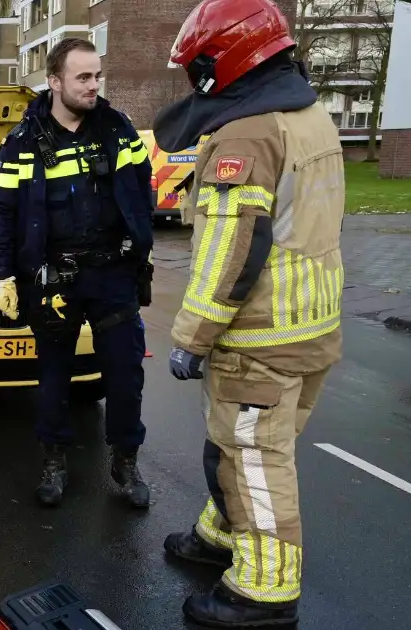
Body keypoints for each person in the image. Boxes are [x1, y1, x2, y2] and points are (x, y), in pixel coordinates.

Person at [154, 1, 345, 625]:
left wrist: (192, 338)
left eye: (200, 68)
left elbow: (233, 247)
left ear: (226, 59)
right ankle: (220, 537)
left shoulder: (248, 131)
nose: (196, 82)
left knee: (256, 460)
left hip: (259, 334)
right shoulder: (308, 114)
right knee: (244, 445)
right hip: (312, 322)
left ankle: (263, 590)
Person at [0, 38, 154, 508]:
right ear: (54, 81)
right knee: (54, 377)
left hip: (113, 275)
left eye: (97, 75)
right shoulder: (21, 143)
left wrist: (140, 248)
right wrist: (4, 278)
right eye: (83, 77)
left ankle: (125, 460)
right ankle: (54, 460)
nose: (93, 85)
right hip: (53, 280)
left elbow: (143, 192)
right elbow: (2, 215)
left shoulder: (119, 129)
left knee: (126, 376)